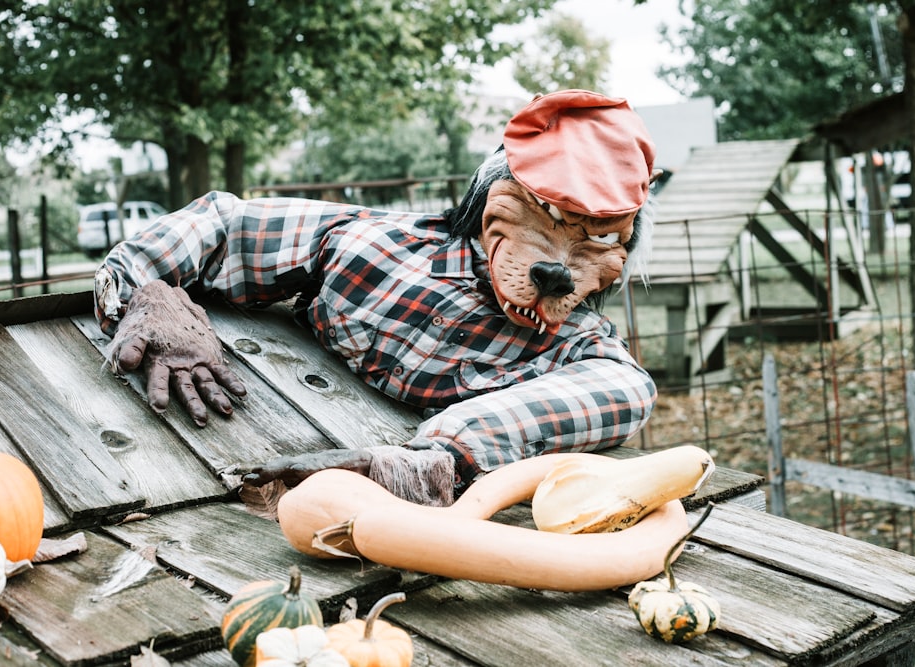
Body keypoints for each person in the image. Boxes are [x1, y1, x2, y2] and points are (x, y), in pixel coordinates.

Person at [94, 89, 660, 505]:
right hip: (187, 452)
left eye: (596, 241)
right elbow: (226, 220)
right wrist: (147, 292)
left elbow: (626, 390)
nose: (558, 267)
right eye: (545, 219)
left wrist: (421, 461)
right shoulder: (367, 243)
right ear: (492, 190)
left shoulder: (577, 347)